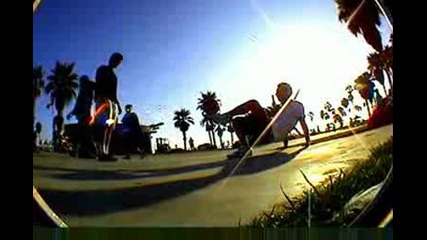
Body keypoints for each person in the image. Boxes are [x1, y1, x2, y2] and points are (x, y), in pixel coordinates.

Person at [217, 82, 310, 158]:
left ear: (288, 92)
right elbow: (285, 125)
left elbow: (303, 124)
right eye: (277, 93)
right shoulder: (280, 108)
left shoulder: (297, 106)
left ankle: (226, 117)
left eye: (280, 92)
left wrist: (307, 142)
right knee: (237, 120)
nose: (277, 95)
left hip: (269, 132)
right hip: (265, 134)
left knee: (254, 104)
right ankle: (245, 148)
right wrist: (285, 145)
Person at [91, 52, 124, 161]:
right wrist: (100, 97)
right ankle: (101, 152)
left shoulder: (114, 77)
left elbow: (114, 93)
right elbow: (98, 84)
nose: (117, 64)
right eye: (116, 61)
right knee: (103, 126)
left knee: (110, 127)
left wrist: (117, 105)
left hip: (111, 103)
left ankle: (106, 151)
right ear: (111, 59)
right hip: (102, 101)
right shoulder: (102, 69)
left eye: (119, 63)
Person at [67, 75, 96, 158]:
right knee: (83, 133)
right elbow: (78, 104)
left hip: (86, 115)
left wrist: (86, 113)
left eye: (82, 82)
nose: (80, 84)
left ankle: (89, 151)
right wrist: (72, 113)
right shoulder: (82, 91)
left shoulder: (88, 90)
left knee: (86, 133)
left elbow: (89, 103)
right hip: (82, 115)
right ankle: (83, 151)